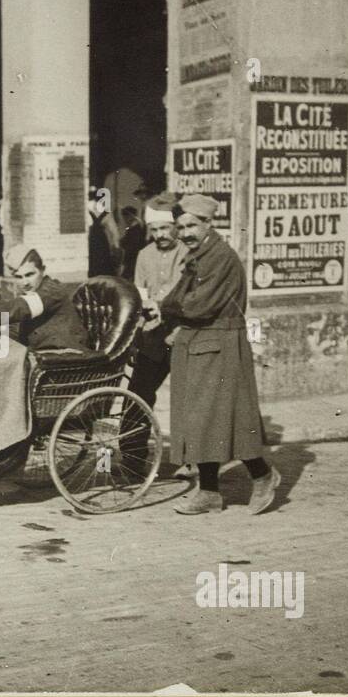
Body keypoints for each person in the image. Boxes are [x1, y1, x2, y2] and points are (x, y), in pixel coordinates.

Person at [157, 193, 280, 515]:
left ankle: (264, 476)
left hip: (220, 344)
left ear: (209, 224)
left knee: (224, 419)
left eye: (192, 225)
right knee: (200, 421)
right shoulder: (198, 256)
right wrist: (169, 307)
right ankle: (209, 493)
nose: (185, 233)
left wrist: (168, 308)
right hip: (199, 342)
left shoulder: (220, 257)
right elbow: (176, 298)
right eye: (181, 227)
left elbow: (197, 305)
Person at [120, 194, 189, 474]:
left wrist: (161, 304)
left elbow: (184, 294)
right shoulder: (144, 255)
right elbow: (139, 293)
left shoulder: (188, 253)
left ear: (176, 226)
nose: (160, 235)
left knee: (186, 398)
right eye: (155, 229)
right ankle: (133, 461)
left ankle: (191, 460)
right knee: (137, 394)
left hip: (183, 334)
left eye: (165, 228)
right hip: (152, 337)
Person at [86, 188, 120, 277]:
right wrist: (116, 247)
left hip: (92, 240)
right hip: (102, 241)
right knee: (104, 265)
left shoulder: (86, 209)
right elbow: (114, 232)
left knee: (93, 263)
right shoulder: (105, 211)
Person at [117, 206, 147, 280]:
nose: (124, 220)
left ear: (130, 216)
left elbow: (132, 247)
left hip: (133, 261)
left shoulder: (135, 230)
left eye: (125, 217)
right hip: (133, 260)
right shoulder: (134, 228)